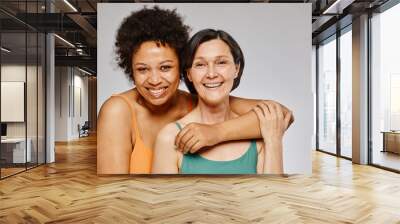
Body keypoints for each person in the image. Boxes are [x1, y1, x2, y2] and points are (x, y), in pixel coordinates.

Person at [97, 7, 293, 174]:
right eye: (142, 69)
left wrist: (215, 133)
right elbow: (112, 192)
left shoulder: (193, 102)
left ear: (182, 68)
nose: (155, 80)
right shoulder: (118, 111)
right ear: (130, 69)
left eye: (165, 67)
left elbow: (281, 115)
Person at [152, 29, 289, 174]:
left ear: (236, 69)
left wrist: (274, 140)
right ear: (189, 74)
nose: (211, 74)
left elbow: (272, 195)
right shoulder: (170, 137)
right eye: (200, 64)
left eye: (221, 62)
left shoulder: (258, 134)